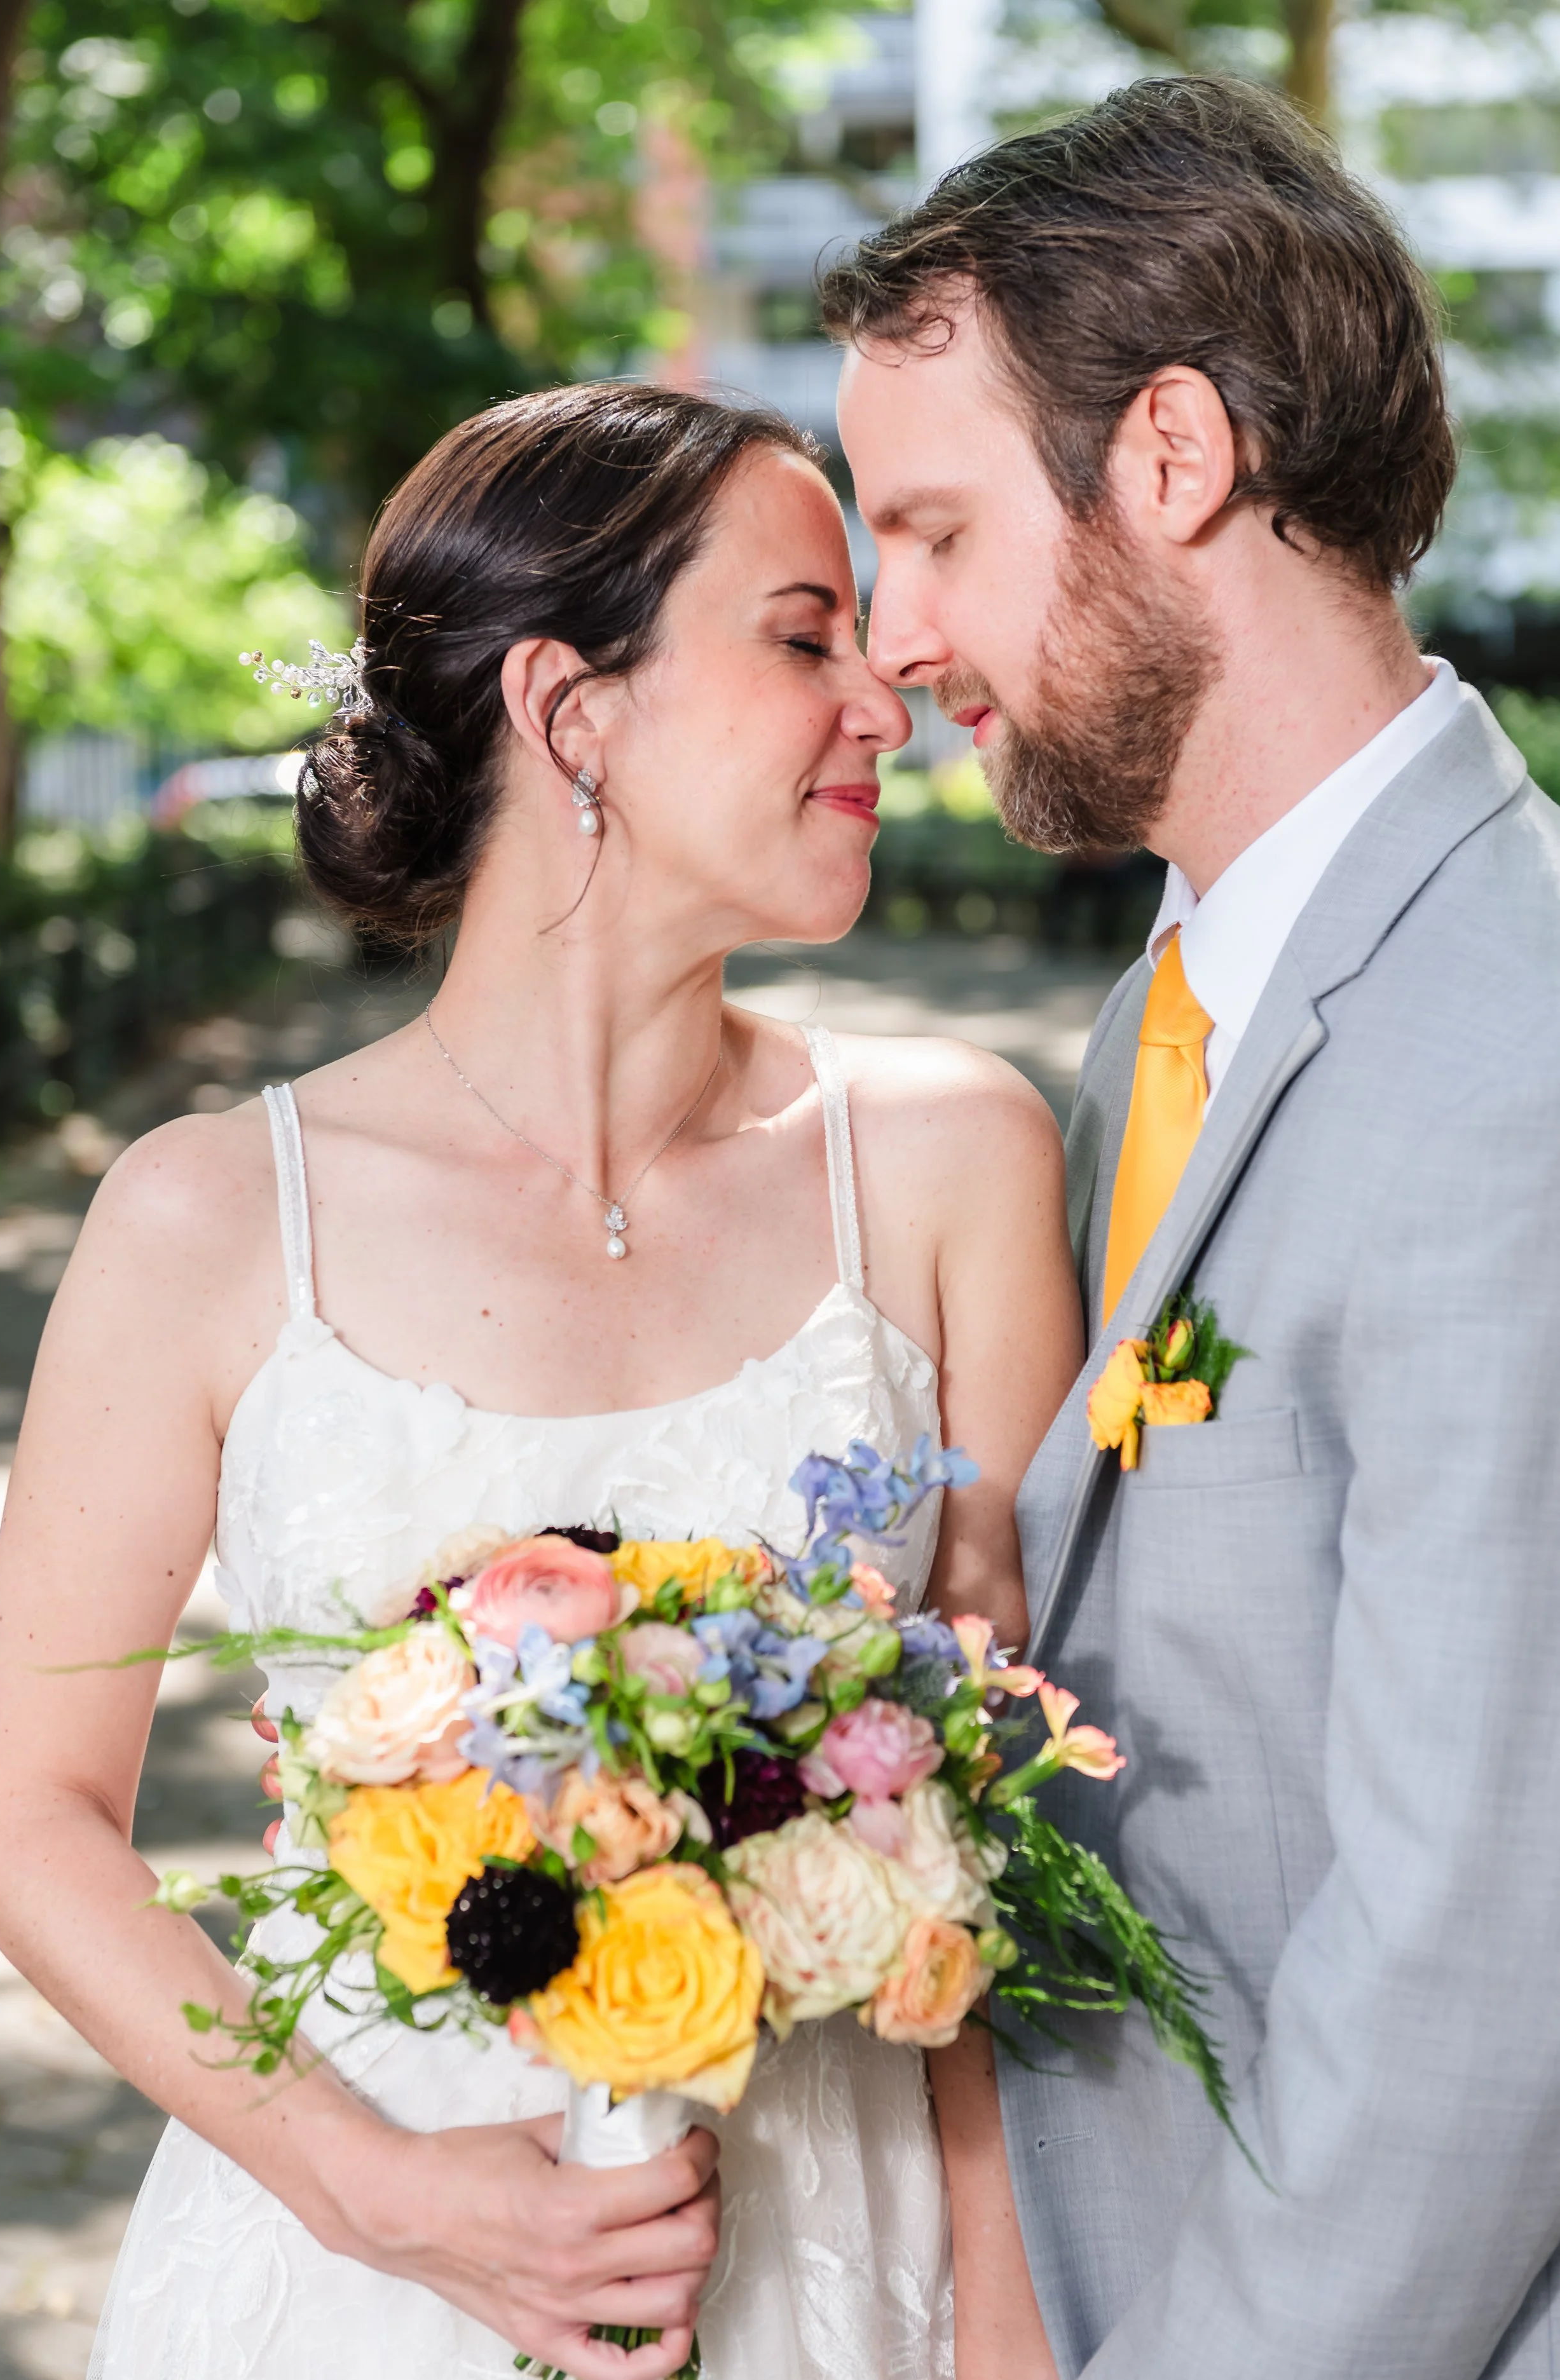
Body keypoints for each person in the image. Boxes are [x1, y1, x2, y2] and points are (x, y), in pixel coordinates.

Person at [0, 381, 1082, 2380]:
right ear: (575, 712)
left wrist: (1001, 2337)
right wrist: (363, 2187)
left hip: (843, 2265)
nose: (883, 705)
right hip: (346, 2277)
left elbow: (1034, 1858)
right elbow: (24, 1813)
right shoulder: (209, 1220)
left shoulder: (949, 1159)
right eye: (803, 634)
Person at [826, 72, 1560, 2380]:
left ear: (1168, 457)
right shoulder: (1165, 1004)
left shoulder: (1514, 1056)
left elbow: (1483, 1958)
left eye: (933, 530)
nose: (890, 637)